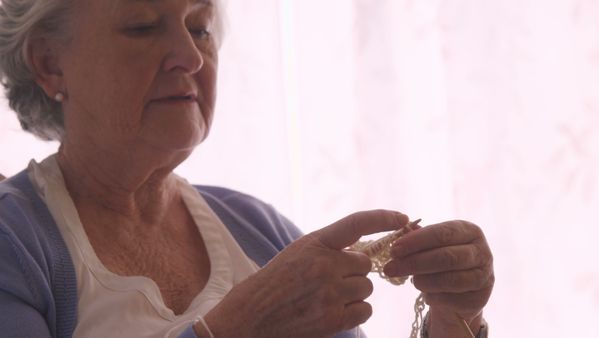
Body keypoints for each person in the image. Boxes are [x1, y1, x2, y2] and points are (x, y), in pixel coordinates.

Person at [0, 0, 494, 337]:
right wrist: (234, 328)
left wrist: (455, 318)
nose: (190, 56)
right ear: (48, 63)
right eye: (142, 26)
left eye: (200, 27)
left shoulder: (256, 228)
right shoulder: (16, 243)